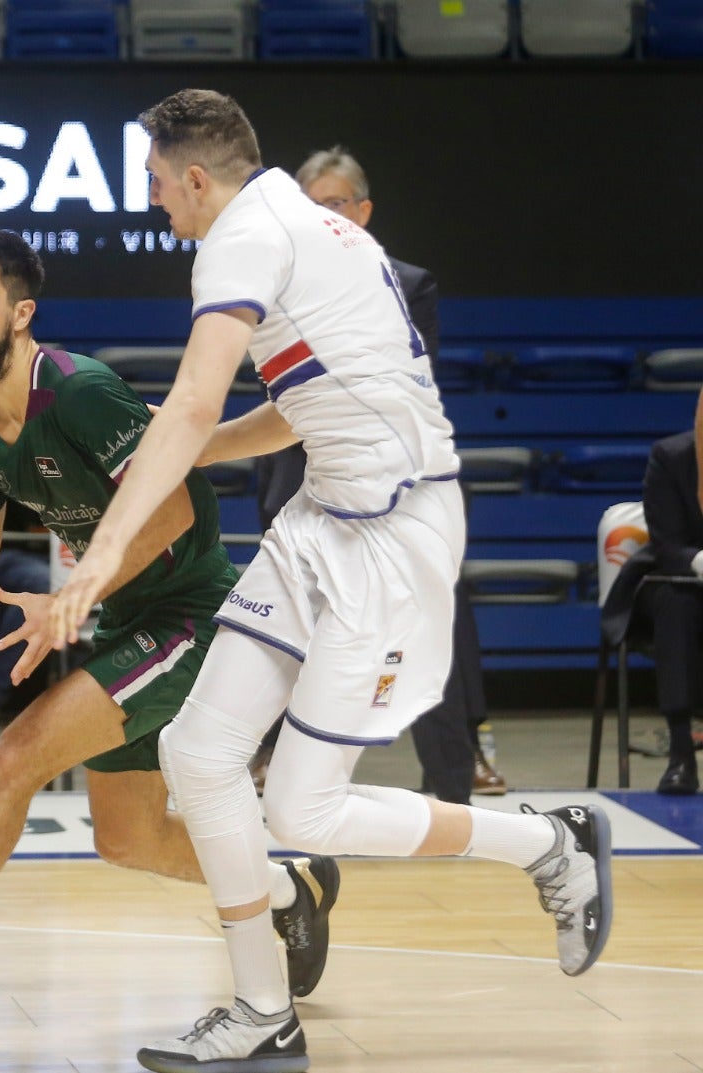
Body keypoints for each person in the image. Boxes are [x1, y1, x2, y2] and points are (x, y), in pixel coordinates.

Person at [48, 90, 612, 1073]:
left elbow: (189, 398)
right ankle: (262, 1007)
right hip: (325, 517)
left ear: (193, 176)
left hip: (386, 532)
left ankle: (547, 842)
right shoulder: (311, 228)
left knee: (298, 812)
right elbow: (299, 401)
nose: (150, 202)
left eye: (150, 181)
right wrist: (195, 450)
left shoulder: (236, 240)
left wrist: (101, 552)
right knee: (199, 748)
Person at [0, 230, 340, 1021]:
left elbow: (172, 512)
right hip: (126, 618)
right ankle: (293, 887)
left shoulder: (80, 391)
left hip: (191, 611)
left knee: (13, 759)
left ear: (22, 311)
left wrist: (71, 596)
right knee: (129, 837)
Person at [247, 145, 503, 804]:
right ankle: (270, 770)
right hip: (297, 481)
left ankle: (451, 786)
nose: (324, 219)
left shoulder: (409, 284)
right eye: (311, 208)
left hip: (389, 491)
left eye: (335, 205)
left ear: (363, 211)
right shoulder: (271, 290)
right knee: (282, 634)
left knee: (422, 628)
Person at [621, 427, 703, 795]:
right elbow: (668, 545)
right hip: (680, 577)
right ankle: (681, 752)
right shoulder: (672, 456)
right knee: (677, 603)